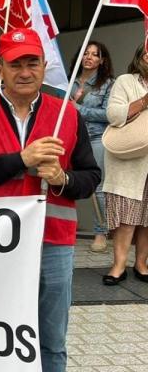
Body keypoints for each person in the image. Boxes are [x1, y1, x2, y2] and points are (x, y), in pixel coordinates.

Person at [0, 28, 100, 372]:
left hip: (52, 241)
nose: (25, 72)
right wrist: (21, 159)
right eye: (16, 64)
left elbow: (90, 178)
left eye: (32, 63)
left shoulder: (67, 114)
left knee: (50, 340)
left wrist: (62, 179)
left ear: (45, 66)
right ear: (0, 67)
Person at [102, 44, 148, 286]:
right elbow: (113, 114)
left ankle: (141, 263)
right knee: (127, 215)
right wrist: (144, 101)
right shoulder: (126, 81)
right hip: (129, 157)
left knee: (147, 216)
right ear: (139, 57)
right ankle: (118, 265)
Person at [68, 42, 114, 253]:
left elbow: (108, 114)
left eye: (95, 55)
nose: (89, 57)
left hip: (95, 138)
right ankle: (66, 228)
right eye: (86, 53)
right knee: (63, 181)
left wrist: (78, 108)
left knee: (98, 188)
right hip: (70, 137)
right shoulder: (69, 82)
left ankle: (100, 233)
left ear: (101, 60)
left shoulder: (108, 84)